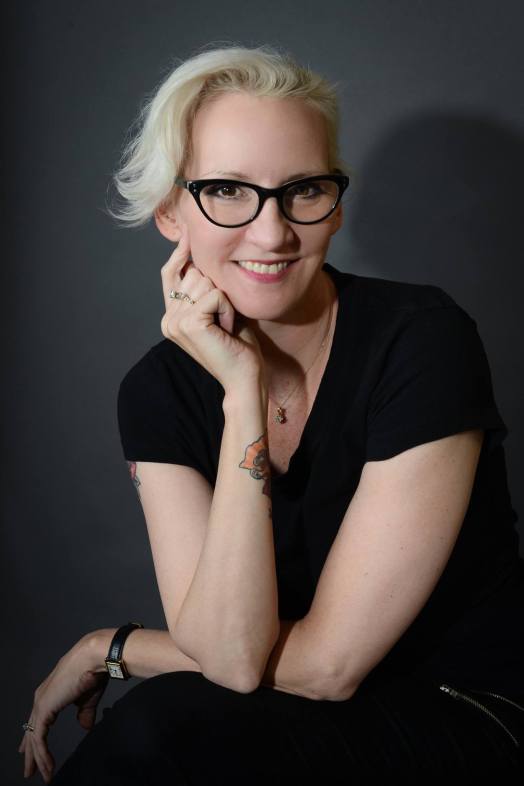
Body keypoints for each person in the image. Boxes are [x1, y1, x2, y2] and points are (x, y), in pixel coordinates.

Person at [19, 44, 524, 785]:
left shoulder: (422, 339)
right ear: (169, 211)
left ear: (336, 204)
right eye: (226, 190)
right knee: (173, 727)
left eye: (303, 190)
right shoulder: (157, 391)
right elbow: (229, 659)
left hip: (467, 711)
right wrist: (242, 390)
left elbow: (330, 668)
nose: (272, 232)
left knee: (166, 726)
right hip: (290, 714)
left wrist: (113, 647)